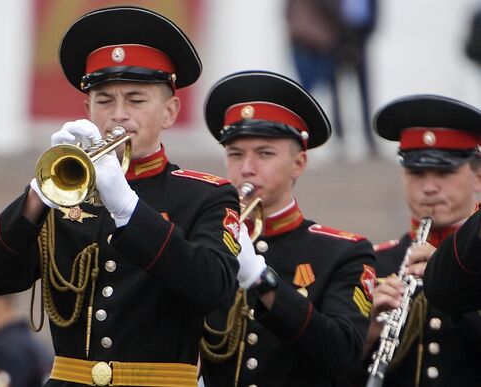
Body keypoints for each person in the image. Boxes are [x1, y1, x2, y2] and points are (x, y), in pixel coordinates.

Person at [0, 6, 240, 387]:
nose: (119, 115)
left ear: (170, 111)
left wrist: (128, 208)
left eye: (136, 100)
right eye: (105, 100)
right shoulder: (65, 192)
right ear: (87, 109)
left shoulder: (206, 197)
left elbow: (214, 288)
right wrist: (38, 193)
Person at [199, 70, 377, 386]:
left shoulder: (343, 253)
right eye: (235, 154)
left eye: (265, 153)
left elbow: (343, 352)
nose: (247, 168)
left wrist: (262, 280)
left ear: (299, 163)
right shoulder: (205, 240)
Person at [359, 95, 481, 386]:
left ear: (478, 176)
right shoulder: (371, 262)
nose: (428, 187)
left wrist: (448, 277)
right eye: (416, 173)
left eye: (444, 173)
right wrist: (368, 334)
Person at [286, 0, 378, 157]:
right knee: (327, 91)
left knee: (361, 90)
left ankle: (367, 137)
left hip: (355, 38)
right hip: (328, 42)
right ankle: (335, 137)